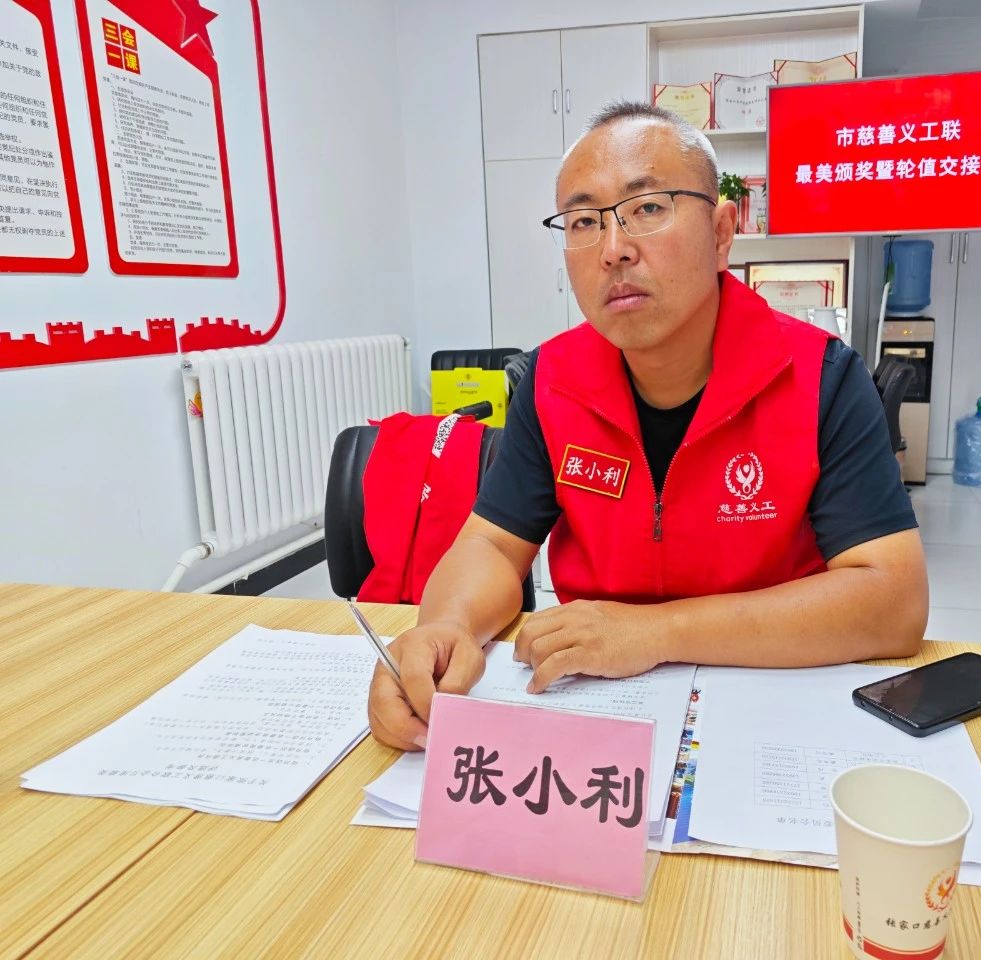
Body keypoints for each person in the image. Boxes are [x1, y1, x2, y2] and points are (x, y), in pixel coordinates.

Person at [368, 101, 927, 751]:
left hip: (772, 701)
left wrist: (656, 632)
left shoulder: (821, 377)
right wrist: (447, 626)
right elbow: (493, 545)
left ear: (722, 231)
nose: (613, 249)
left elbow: (894, 603)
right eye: (584, 221)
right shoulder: (550, 381)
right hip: (597, 707)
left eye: (649, 207)